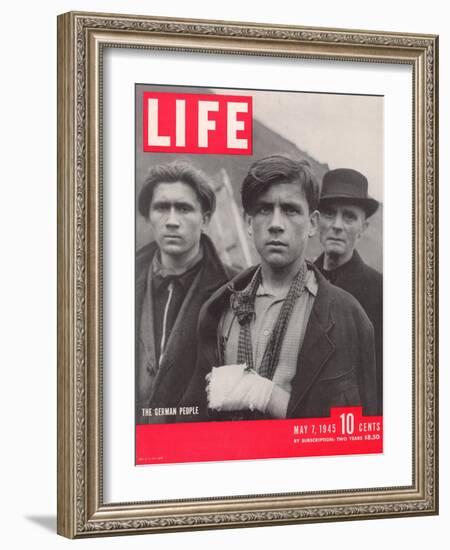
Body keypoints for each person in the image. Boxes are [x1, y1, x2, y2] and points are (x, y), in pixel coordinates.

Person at [181, 155, 377, 421]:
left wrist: (264, 394)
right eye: (263, 209)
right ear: (248, 223)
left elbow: (356, 431)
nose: (276, 224)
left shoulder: (349, 317)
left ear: (311, 223)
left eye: (290, 210)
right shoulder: (217, 310)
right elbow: (190, 423)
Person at [135, 160, 236, 424]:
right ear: (148, 217)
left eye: (183, 209)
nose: (171, 221)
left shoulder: (236, 288)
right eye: (161, 208)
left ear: (204, 219)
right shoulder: (113, 284)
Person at [314, 168, 383, 414]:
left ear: (363, 227)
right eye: (329, 214)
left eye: (349, 217)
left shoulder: (380, 292)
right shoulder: (301, 281)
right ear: (316, 220)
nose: (337, 226)